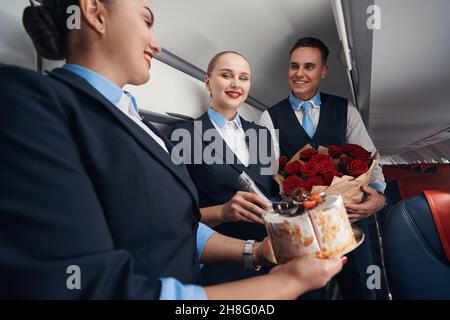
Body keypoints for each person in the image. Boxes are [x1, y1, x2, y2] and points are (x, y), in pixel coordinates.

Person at [0, 0, 344, 299]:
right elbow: (89, 288)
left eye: (245, 78)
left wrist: (256, 252)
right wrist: (280, 288)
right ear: (93, 11)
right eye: (146, 20)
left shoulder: (143, 128)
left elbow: (179, 224)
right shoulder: (34, 104)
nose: (157, 44)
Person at [259, 37, 386, 299]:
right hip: (300, 231)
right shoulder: (269, 117)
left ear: (323, 71)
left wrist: (378, 199)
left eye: (309, 67)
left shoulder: (345, 110)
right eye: (294, 66)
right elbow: (267, 177)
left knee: (363, 290)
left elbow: (371, 163)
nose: (299, 74)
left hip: (348, 223)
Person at [171, 51, 278, 285]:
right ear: (207, 81)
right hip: (220, 263)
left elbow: (270, 192)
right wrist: (222, 212)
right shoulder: (185, 134)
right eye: (226, 75)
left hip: (271, 257)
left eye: (243, 78)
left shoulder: (261, 135)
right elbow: (175, 215)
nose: (235, 84)